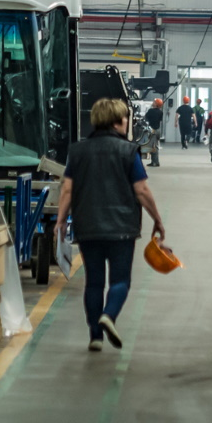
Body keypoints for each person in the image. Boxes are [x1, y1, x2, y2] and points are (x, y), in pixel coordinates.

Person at [53, 98, 166, 352]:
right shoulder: (128, 152)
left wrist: (60, 220)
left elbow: (67, 189)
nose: (127, 123)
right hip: (122, 228)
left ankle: (95, 336)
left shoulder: (77, 151)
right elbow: (142, 190)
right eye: (125, 119)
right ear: (117, 122)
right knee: (120, 281)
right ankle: (109, 315)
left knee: (93, 282)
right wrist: (157, 219)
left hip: (88, 226)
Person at [143, 98, 165, 167]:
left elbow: (145, 118)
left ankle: (155, 162)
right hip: (158, 130)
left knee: (153, 146)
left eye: (154, 102)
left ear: (156, 104)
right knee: (155, 145)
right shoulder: (161, 112)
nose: (153, 102)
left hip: (152, 130)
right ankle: (155, 161)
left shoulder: (150, 111)